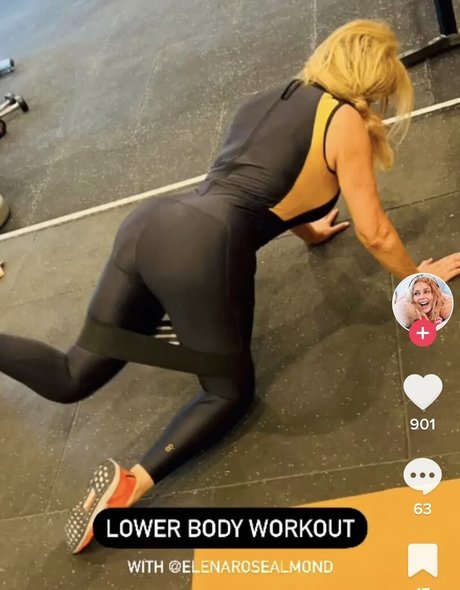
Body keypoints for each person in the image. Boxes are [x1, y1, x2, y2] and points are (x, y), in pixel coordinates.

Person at [1, 19, 460, 555]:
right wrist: (420, 281)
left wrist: (310, 231)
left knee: (72, 373)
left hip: (148, 226)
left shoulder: (269, 98)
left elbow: (263, 184)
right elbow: (375, 232)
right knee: (228, 393)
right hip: (203, 253)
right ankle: (132, 483)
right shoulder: (345, 123)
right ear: (375, 83)